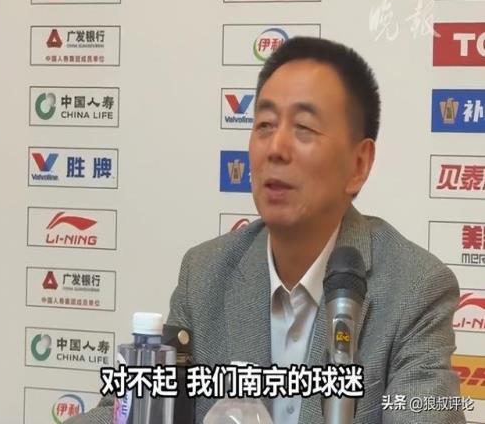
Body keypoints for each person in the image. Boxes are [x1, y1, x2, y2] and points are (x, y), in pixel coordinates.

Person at [67, 37, 465, 424]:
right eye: (265, 124)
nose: (276, 148)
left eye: (304, 128)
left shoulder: (414, 288)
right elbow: (130, 410)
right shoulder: (205, 274)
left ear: (358, 165)